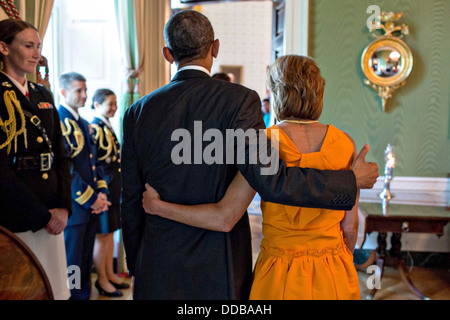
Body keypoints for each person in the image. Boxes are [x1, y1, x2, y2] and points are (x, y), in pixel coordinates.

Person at [121, 10, 378, 300]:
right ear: (214, 48)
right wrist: (350, 181)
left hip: (159, 257)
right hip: (223, 260)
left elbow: (130, 198)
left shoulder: (136, 112)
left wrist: (136, 263)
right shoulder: (240, 100)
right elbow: (273, 181)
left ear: (168, 54)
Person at [0, 19, 71, 300]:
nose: (36, 54)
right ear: (3, 48)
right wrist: (42, 215)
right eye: (28, 46)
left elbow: (61, 154)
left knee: (53, 290)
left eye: (38, 46)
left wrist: (64, 207)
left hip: (53, 214)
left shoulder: (42, 94)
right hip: (18, 216)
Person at [57, 72, 111, 300]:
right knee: (73, 263)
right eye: (78, 90)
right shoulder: (59, 121)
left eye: (85, 90)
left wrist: (102, 193)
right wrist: (92, 199)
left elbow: (94, 162)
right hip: (75, 207)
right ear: (62, 92)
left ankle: (83, 297)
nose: (84, 95)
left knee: (85, 260)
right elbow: (67, 169)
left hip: (90, 207)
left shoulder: (82, 123)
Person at [90, 89, 129, 297]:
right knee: (102, 236)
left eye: (115, 104)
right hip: (103, 189)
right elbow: (95, 164)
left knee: (110, 234)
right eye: (109, 104)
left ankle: (111, 274)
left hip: (114, 187)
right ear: (96, 105)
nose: (114, 108)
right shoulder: (94, 128)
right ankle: (102, 280)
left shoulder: (106, 125)